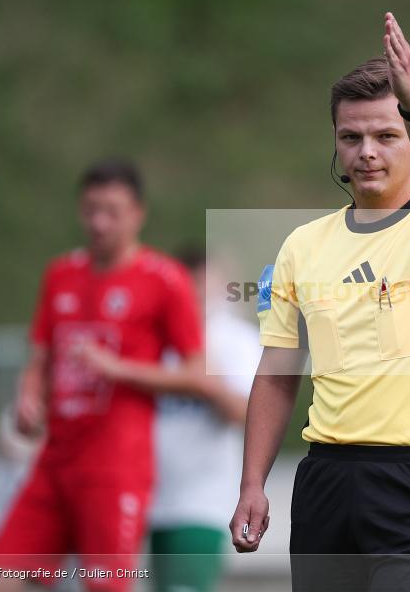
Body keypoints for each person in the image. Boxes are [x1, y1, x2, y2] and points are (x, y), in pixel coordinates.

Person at [230, 12, 410, 592]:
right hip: (326, 482)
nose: (367, 152)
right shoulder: (303, 245)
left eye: (386, 135)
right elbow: (276, 374)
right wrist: (252, 483)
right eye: (351, 137)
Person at [0, 159, 209, 592]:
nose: (99, 222)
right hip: (54, 461)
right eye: (90, 210)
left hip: (116, 467)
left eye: (112, 211)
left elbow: (197, 374)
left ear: (138, 213)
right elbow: (40, 358)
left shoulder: (164, 279)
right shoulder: (60, 274)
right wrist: (29, 398)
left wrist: (118, 368)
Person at [147, 248, 259, 592]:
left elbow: (243, 413)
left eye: (204, 286)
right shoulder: (156, 337)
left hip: (201, 502)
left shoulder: (235, 340)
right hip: (149, 499)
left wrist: (203, 376)